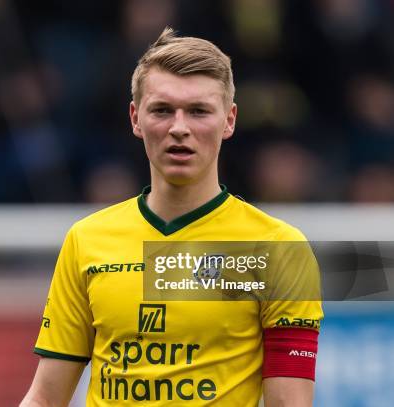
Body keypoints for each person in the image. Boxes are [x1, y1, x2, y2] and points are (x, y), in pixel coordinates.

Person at [20, 27, 323, 406]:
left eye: (198, 111)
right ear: (135, 118)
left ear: (228, 121)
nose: (179, 128)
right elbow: (45, 398)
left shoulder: (278, 250)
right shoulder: (87, 240)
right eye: (162, 110)